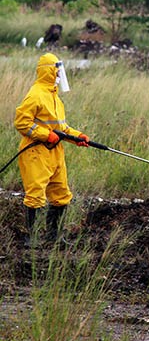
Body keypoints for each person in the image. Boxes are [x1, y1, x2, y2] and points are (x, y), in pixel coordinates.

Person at [15, 53, 90, 245]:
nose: (60, 75)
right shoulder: (36, 94)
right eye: (57, 70)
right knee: (35, 195)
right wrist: (45, 135)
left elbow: (61, 129)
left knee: (61, 194)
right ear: (49, 70)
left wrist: (77, 137)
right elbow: (22, 122)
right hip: (35, 152)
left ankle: (54, 236)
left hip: (55, 152)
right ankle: (32, 238)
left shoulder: (54, 97)